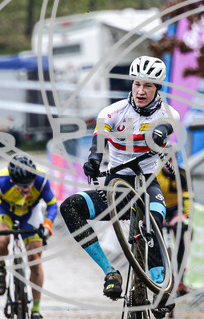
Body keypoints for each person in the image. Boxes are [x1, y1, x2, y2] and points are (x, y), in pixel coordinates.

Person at [60, 55, 178, 302]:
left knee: (154, 219)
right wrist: (93, 160)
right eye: (137, 84)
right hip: (117, 185)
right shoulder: (112, 112)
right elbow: (99, 142)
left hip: (147, 184)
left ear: (158, 89)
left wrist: (158, 134)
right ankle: (110, 272)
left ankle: (159, 284)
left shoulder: (168, 113)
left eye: (148, 85)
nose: (141, 90)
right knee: (70, 207)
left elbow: (165, 128)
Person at [0, 153, 58, 319]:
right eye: (22, 186)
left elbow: (52, 205)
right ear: (13, 181)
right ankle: (0, 270)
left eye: (29, 185)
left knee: (35, 258)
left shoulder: (41, 180)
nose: (26, 189)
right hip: (5, 212)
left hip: (30, 214)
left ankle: (36, 311)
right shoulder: (2, 181)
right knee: (2, 240)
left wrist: (48, 224)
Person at [156, 159, 193, 295]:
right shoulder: (156, 173)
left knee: (180, 230)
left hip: (176, 209)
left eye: (172, 160)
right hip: (159, 207)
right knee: (154, 237)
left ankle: (181, 278)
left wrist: (189, 219)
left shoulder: (182, 174)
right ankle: (156, 272)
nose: (169, 164)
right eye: (166, 161)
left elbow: (188, 198)